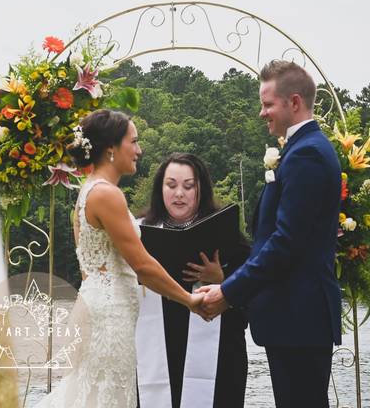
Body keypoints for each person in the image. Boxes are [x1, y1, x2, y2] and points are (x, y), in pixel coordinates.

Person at [197, 61, 342, 408]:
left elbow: (285, 243)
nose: (262, 113)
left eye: (267, 104)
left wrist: (229, 291)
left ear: (294, 102)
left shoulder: (306, 154)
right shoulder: (302, 149)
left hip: (299, 319)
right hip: (295, 320)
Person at [36, 109, 203, 408]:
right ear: (112, 148)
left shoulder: (88, 192)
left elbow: (91, 270)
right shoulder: (107, 195)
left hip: (101, 311)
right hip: (108, 320)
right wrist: (190, 301)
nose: (139, 150)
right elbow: (142, 265)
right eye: (134, 142)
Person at [135, 152, 250, 408]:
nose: (179, 194)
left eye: (189, 186)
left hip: (219, 349)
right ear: (159, 189)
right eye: (171, 185)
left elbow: (251, 286)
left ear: (202, 190)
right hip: (156, 344)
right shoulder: (137, 232)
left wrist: (222, 278)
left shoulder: (224, 232)